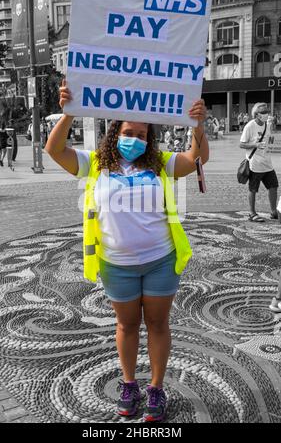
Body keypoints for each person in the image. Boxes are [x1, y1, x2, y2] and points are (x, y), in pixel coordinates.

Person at [45, 80, 209, 423]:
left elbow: (197, 159)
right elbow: (54, 150)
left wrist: (198, 126)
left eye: (142, 134)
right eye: (128, 131)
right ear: (114, 132)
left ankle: (156, 389)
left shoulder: (161, 163)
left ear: (150, 139)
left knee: (158, 324)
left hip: (161, 262)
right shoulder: (93, 164)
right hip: (115, 265)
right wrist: (68, 114)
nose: (134, 138)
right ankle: (130, 384)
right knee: (126, 325)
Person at [240, 102, 279, 222]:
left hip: (267, 163)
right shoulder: (250, 126)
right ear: (256, 114)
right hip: (255, 164)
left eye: (266, 111)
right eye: (263, 112)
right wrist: (255, 144)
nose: (266, 114)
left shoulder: (268, 124)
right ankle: (252, 213)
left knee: (273, 186)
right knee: (253, 189)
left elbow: (271, 139)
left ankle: (273, 211)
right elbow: (241, 144)